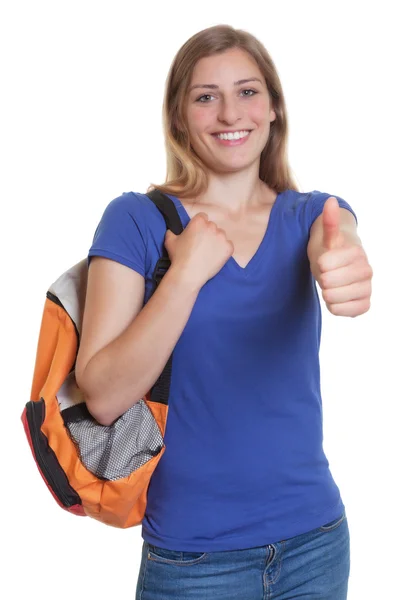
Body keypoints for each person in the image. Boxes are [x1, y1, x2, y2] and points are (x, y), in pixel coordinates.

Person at [75, 24, 373, 600]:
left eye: (248, 91)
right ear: (180, 115)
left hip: (316, 543)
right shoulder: (136, 220)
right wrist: (185, 273)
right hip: (193, 560)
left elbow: (339, 240)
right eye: (205, 96)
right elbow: (104, 397)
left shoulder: (312, 214)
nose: (229, 112)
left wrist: (346, 265)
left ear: (274, 108)